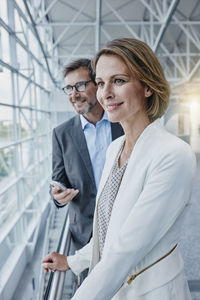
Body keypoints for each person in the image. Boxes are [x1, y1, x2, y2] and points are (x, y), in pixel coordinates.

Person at [42, 39, 196, 300]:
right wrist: (74, 261)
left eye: (119, 81)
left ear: (147, 86)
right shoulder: (115, 149)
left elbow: (126, 248)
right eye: (101, 83)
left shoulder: (173, 154)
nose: (106, 93)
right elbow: (110, 231)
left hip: (151, 292)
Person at [50, 58, 123, 254]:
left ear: (98, 85)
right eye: (68, 88)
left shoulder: (124, 124)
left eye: (80, 86)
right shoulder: (61, 134)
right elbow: (59, 180)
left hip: (125, 226)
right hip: (84, 235)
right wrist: (58, 196)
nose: (74, 94)